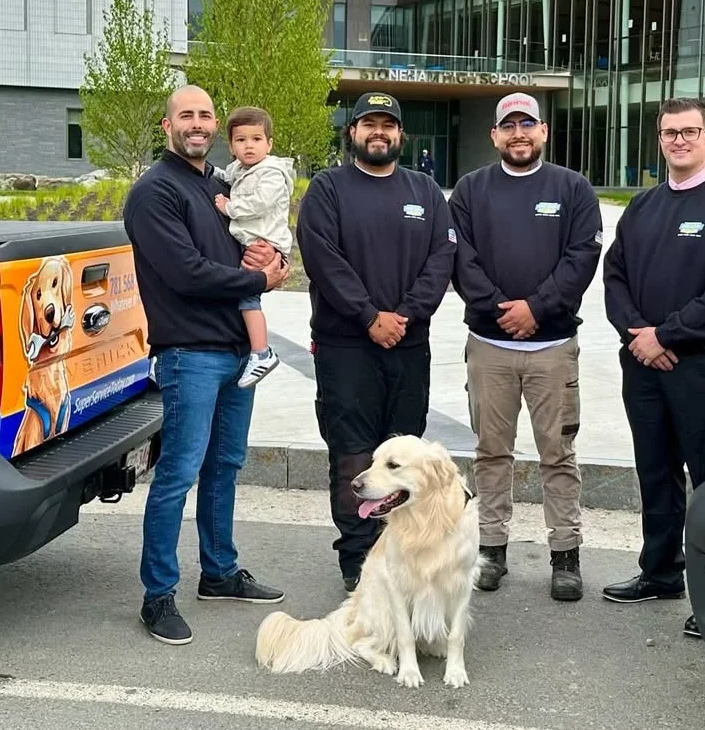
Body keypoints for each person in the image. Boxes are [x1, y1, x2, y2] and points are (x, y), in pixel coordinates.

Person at [123, 85, 290, 646]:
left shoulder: (219, 183)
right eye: (185, 115)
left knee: (225, 467)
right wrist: (256, 281)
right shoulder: (153, 192)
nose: (197, 123)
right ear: (167, 125)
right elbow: (187, 273)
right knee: (178, 474)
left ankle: (218, 573)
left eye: (205, 115)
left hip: (235, 353)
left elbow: (253, 240)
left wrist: (276, 259)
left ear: (215, 124)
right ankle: (158, 595)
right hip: (188, 355)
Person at [600, 97, 705, 637]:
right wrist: (639, 337)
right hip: (643, 365)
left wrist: (666, 335)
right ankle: (660, 572)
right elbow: (615, 277)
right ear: (659, 139)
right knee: (655, 472)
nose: (679, 140)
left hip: (703, 367)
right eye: (670, 132)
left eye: (690, 131)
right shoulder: (643, 207)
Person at [296, 92, 456, 593]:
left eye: (388, 124)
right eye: (370, 123)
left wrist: (404, 316)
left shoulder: (426, 191)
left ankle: (401, 554)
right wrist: (369, 317)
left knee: (403, 454)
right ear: (353, 131)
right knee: (352, 452)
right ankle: (357, 559)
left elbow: (441, 259)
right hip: (347, 346)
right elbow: (323, 258)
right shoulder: (328, 189)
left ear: (401, 135)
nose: (379, 132)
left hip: (408, 346)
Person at [449, 92, 603, 602]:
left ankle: (565, 556)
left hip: (554, 347)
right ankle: (491, 549)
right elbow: (461, 261)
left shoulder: (573, 189)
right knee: (491, 452)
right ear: (494, 135)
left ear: (544, 132)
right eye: (508, 125)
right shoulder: (471, 191)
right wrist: (501, 309)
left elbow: (581, 258)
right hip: (489, 346)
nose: (518, 133)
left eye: (527, 124)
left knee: (558, 453)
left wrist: (536, 309)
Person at [212, 105, 295, 389]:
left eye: (257, 139)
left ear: (269, 144)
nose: (249, 146)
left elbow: (260, 202)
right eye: (241, 140)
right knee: (241, 298)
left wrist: (229, 208)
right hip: (253, 240)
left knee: (248, 299)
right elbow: (226, 175)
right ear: (232, 145)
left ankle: (262, 353)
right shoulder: (241, 168)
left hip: (266, 242)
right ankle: (253, 347)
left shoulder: (271, 173)